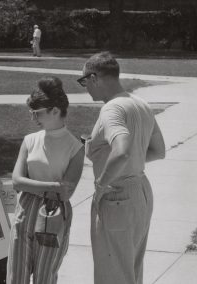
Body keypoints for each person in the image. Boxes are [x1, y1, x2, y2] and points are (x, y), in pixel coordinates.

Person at [78, 51, 166, 284]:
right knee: (131, 271)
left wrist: (101, 183)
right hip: (140, 192)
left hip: (116, 195)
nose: (85, 87)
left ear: (94, 77)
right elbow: (158, 150)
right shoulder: (141, 104)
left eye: (84, 81)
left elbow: (122, 150)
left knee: (112, 274)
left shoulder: (112, 109)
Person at [6, 76, 85, 284]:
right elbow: (16, 181)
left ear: (55, 111)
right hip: (25, 211)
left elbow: (66, 192)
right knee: (16, 277)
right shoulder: (30, 141)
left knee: (45, 277)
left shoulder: (75, 148)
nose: (33, 119)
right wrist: (52, 186)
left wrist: (32, 185)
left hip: (54, 215)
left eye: (37, 113)